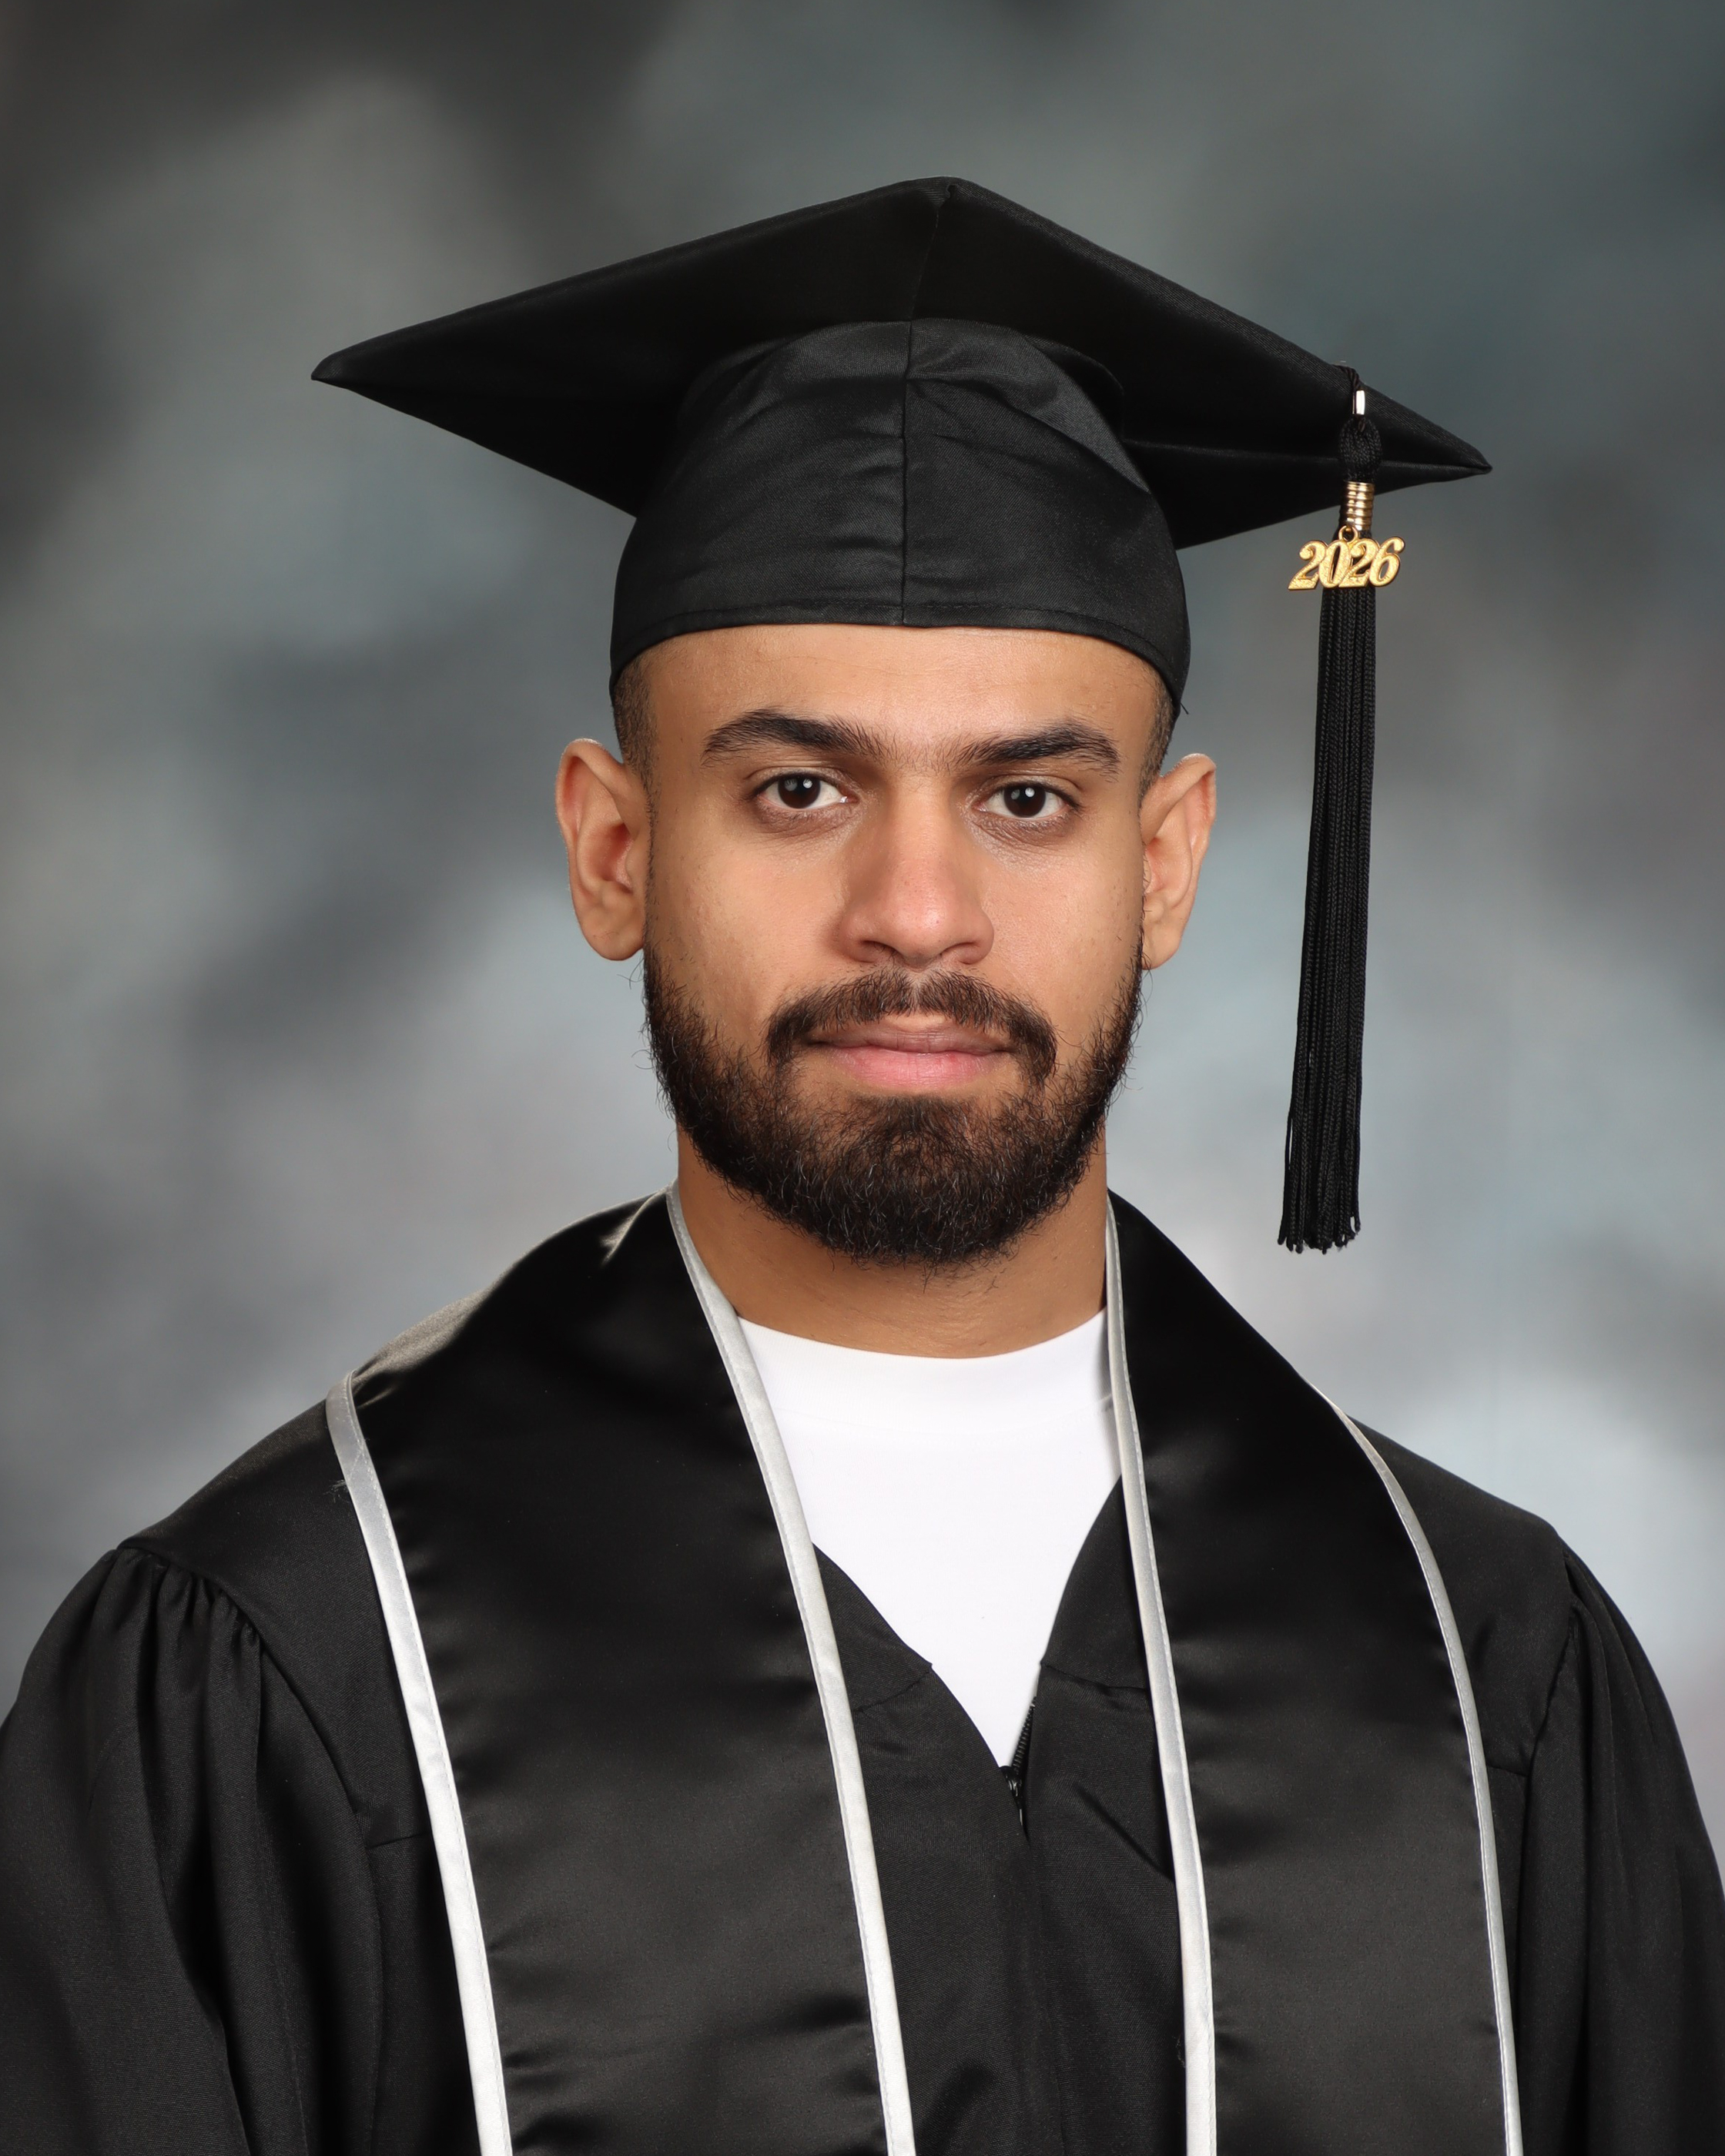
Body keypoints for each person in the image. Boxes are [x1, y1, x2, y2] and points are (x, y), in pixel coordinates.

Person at [2, 177, 1720, 2156]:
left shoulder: (1482, 1667)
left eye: (1027, 795)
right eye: (799, 787)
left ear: (1165, 863)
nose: (916, 909)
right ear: (614, 848)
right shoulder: (281, 1663)